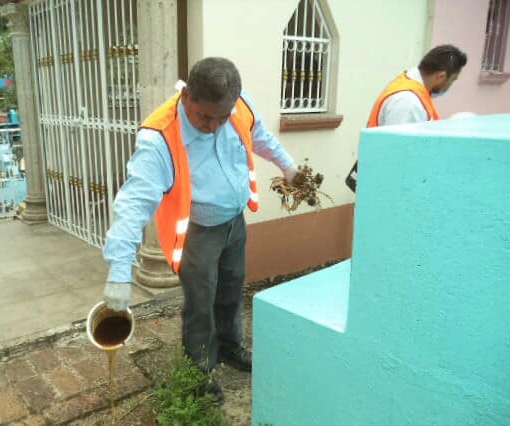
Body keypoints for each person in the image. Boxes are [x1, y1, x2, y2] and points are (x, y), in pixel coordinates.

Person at [102, 57, 298, 401]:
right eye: (206, 117)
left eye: (223, 117)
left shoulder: (237, 106)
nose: (215, 126)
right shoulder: (160, 137)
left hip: (234, 222)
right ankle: (199, 372)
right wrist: (119, 273)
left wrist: (287, 165)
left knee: (231, 289)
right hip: (198, 234)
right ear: (188, 94)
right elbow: (133, 204)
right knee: (200, 305)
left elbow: (260, 136)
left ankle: (229, 347)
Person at [346, 44, 467, 191]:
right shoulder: (408, 102)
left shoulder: (411, 82)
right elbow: (401, 158)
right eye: (452, 79)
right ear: (441, 76)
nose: (451, 84)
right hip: (388, 186)